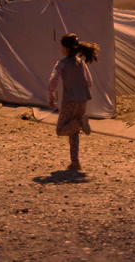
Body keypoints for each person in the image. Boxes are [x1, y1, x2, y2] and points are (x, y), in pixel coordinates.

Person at [47, 32, 99, 172]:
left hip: (69, 101)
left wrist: (51, 94)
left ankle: (80, 123)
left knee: (61, 129)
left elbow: (53, 80)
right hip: (82, 100)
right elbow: (89, 81)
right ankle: (75, 162)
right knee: (73, 133)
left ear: (65, 48)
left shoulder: (62, 63)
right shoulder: (81, 62)